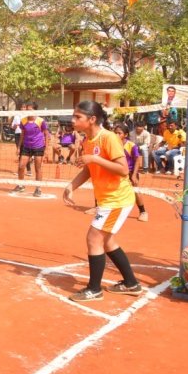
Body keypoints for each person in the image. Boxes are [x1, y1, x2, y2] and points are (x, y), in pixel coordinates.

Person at [63, 101, 143, 301]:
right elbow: (89, 169)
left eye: (78, 117)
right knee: (107, 241)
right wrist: (71, 186)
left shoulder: (109, 138)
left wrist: (95, 159)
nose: (73, 120)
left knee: (93, 239)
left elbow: (123, 169)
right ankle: (131, 283)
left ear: (92, 119)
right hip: (107, 199)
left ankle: (94, 289)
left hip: (117, 199)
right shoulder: (87, 140)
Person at [114, 123, 148, 222]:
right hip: (117, 171)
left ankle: (143, 212)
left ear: (125, 135)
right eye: (115, 133)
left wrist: (133, 175)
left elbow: (137, 161)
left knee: (135, 191)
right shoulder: (113, 144)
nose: (116, 135)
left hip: (130, 172)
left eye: (119, 133)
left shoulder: (131, 145)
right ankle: (101, 208)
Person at [13, 103, 49, 197]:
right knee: (21, 166)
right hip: (26, 146)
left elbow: (46, 134)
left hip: (38, 146)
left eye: (30, 109)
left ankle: (38, 188)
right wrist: (18, 147)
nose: (27, 111)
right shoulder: (23, 120)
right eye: (27, 109)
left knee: (38, 168)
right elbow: (22, 134)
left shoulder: (41, 121)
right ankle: (21, 185)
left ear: (35, 110)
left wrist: (46, 149)